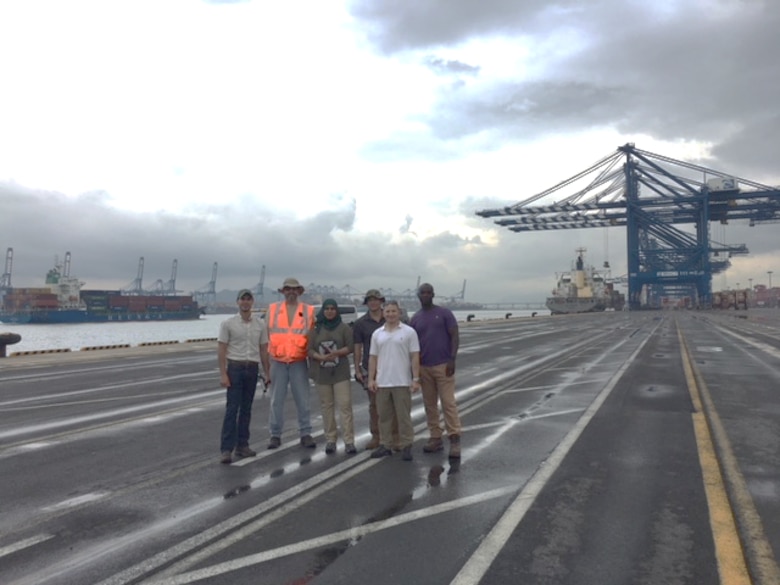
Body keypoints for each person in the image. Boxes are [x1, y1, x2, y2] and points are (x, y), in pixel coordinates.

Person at [217, 289, 271, 464]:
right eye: (243, 299)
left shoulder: (260, 325)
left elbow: (264, 350)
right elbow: (222, 349)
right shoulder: (228, 324)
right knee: (232, 409)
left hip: (252, 369)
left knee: (247, 409)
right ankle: (226, 449)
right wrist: (223, 373)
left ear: (253, 302)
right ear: (237, 302)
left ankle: (243, 445)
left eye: (248, 299)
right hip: (235, 368)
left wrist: (267, 372)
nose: (246, 302)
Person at [410, 282, 462, 459]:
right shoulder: (415, 318)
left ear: (433, 294)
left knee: (448, 403)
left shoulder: (444, 313)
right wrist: (414, 371)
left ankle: (454, 439)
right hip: (424, 368)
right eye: (422, 293)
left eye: (428, 292)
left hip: (443, 365)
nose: (425, 295)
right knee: (429, 405)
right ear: (418, 296)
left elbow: (454, 335)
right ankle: (435, 437)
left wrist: (452, 359)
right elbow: (413, 346)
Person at [266, 277, 316, 449]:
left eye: (294, 289)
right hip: (278, 361)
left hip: (299, 361)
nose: (291, 292)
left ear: (299, 292)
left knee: (303, 400)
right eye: (288, 289)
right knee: (276, 400)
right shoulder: (272, 310)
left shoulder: (308, 311)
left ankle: (306, 433)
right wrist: (265, 366)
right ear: (283, 291)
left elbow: (313, 337)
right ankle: (275, 434)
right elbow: (265, 337)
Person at [368, 300, 421, 461]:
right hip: (383, 382)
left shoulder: (409, 332)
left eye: (393, 311)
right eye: (388, 311)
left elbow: (414, 356)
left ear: (399, 313)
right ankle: (385, 445)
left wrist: (415, 378)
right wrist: (371, 379)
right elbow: (373, 357)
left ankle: (406, 445)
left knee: (403, 416)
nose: (390, 314)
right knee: (383, 416)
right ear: (384, 313)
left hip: (402, 382)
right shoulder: (378, 334)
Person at [353, 288, 399, 451]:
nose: (373, 302)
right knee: (374, 406)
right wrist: (358, 369)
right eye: (370, 300)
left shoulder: (390, 318)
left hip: (392, 368)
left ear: (381, 301)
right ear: (367, 303)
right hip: (370, 369)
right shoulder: (360, 323)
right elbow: (357, 347)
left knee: (393, 404)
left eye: (376, 299)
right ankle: (377, 436)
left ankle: (395, 437)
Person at [308, 299, 356, 455]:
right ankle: (330, 439)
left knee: (345, 406)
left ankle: (349, 441)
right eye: (327, 309)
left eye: (332, 309)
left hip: (340, 373)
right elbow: (308, 350)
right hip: (322, 375)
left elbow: (350, 347)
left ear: (337, 311)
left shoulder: (344, 328)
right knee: (326, 407)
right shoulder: (315, 330)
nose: (329, 311)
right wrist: (319, 357)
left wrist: (337, 353)